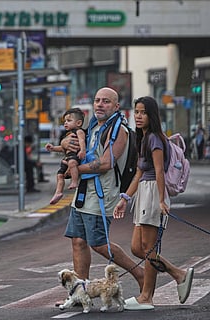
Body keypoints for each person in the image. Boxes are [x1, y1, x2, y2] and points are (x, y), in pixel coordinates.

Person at [56, 87, 145, 306]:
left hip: (101, 195)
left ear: (116, 107)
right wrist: (65, 144)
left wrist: (73, 171)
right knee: (78, 241)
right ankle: (80, 293)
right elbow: (75, 143)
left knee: (99, 244)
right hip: (83, 193)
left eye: (106, 101)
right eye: (97, 100)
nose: (99, 104)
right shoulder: (95, 126)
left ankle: (141, 274)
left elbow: (105, 164)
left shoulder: (118, 129)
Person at [113, 96, 194, 310]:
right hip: (143, 193)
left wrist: (160, 200)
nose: (138, 116)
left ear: (152, 115)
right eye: (136, 112)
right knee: (137, 248)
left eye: (143, 113)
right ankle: (178, 273)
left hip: (152, 194)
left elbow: (158, 171)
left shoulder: (155, 139)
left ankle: (146, 297)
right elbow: (139, 172)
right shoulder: (143, 137)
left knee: (148, 248)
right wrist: (125, 198)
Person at [45, 108, 86, 204]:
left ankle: (74, 181)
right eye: (65, 121)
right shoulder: (68, 134)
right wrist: (53, 148)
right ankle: (58, 192)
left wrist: (82, 150)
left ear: (78, 123)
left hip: (74, 156)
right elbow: (64, 148)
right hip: (67, 157)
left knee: (72, 163)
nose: (65, 123)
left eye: (69, 121)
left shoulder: (79, 132)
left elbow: (82, 141)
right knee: (60, 175)